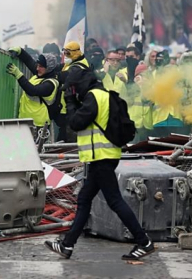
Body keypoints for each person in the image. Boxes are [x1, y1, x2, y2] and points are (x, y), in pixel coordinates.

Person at [44, 66, 154, 261]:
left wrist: (70, 101)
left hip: (102, 157)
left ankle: (144, 241)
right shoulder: (101, 94)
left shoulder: (94, 97)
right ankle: (67, 244)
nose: (72, 92)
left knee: (114, 200)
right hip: (102, 158)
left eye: (73, 88)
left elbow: (76, 123)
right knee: (85, 198)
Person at [6, 47, 59, 129]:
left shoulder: (51, 84)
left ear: (49, 68)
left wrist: (18, 75)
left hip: (38, 125)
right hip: (25, 121)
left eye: (41, 66)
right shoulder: (41, 73)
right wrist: (20, 51)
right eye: (37, 65)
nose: (37, 68)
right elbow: (29, 61)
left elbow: (32, 90)